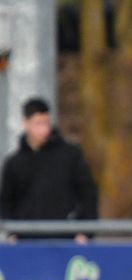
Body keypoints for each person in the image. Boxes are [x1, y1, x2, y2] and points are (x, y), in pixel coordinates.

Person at [0, 97, 98, 241]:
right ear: (25, 124)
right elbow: (6, 202)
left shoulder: (70, 156)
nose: (43, 129)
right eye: (38, 123)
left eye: (46, 122)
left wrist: (85, 232)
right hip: (26, 242)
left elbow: (88, 194)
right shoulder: (14, 163)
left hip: (65, 239)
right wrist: (12, 233)